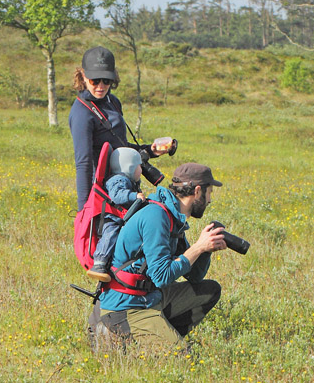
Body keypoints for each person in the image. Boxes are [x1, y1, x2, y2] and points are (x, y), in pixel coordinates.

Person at [94, 163, 226, 351]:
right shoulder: (157, 216)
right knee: (182, 358)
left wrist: (205, 251)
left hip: (149, 296)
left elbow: (195, 277)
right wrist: (198, 247)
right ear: (197, 192)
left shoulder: (173, 216)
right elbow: (161, 276)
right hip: (126, 306)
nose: (210, 200)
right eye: (209, 192)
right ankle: (125, 336)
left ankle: (163, 335)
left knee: (209, 291)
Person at [68, 46, 169, 212]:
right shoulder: (81, 114)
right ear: (84, 77)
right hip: (104, 192)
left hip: (126, 186)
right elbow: (83, 164)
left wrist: (150, 150)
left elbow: (120, 146)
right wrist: (84, 211)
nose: (101, 86)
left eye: (106, 80)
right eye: (95, 80)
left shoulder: (112, 101)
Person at [87, 147, 146, 282]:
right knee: (111, 234)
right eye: (139, 167)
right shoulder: (118, 180)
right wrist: (133, 195)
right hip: (111, 218)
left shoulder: (128, 181)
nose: (141, 171)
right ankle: (99, 263)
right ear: (129, 167)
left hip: (121, 217)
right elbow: (117, 196)